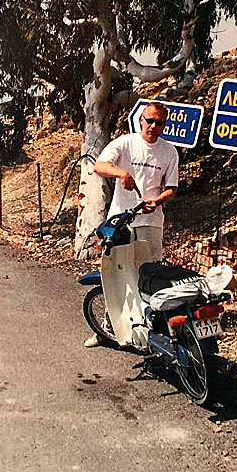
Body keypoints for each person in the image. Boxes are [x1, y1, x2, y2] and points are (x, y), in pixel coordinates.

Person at [84, 101, 179, 347]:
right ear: (141, 121)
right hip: (122, 222)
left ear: (164, 125)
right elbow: (99, 166)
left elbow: (172, 189)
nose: (153, 126)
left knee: (148, 275)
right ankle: (106, 330)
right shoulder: (125, 143)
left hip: (151, 222)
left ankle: (147, 333)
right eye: (150, 121)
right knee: (116, 272)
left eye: (159, 122)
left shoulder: (169, 152)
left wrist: (158, 200)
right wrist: (122, 174)